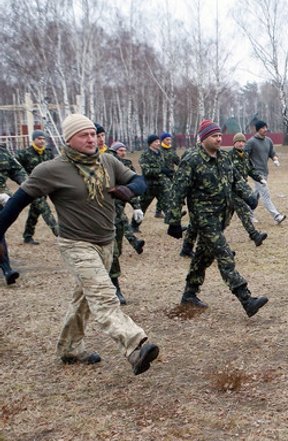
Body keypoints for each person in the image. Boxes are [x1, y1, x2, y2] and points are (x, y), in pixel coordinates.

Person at [0, 113, 159, 374]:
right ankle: (135, 345)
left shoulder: (107, 161)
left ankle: (69, 348)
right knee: (104, 298)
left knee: (83, 299)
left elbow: (139, 180)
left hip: (105, 243)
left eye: (93, 134)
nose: (91, 139)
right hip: (76, 245)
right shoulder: (50, 170)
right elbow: (16, 204)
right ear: (69, 139)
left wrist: (129, 191)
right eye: (83, 135)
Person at [165, 119, 268, 317]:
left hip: (221, 217)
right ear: (204, 138)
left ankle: (189, 294)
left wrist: (249, 196)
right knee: (224, 255)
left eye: (220, 135)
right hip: (204, 218)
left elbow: (236, 179)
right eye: (214, 136)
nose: (219, 139)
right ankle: (246, 299)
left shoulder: (224, 157)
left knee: (203, 257)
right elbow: (177, 191)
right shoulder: (192, 159)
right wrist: (174, 220)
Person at [107, 141, 146, 305]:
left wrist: (136, 207)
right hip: (100, 214)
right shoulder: (100, 161)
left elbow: (134, 184)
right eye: (120, 150)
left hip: (118, 210)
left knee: (117, 250)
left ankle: (135, 243)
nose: (123, 152)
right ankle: (114, 288)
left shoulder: (125, 165)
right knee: (113, 252)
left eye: (124, 150)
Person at [15, 130, 59, 244]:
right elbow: (14, 166)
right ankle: (59, 233)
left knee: (34, 212)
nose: (42, 141)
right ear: (33, 140)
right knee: (45, 209)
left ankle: (27, 236)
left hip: (46, 187)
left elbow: (54, 167)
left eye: (43, 139)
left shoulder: (48, 153)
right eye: (39, 138)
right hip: (32, 187)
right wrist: (24, 179)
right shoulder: (25, 153)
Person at [245, 120, 286, 223]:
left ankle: (247, 213)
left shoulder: (268, 141)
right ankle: (277, 216)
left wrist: (275, 159)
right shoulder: (251, 142)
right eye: (263, 128)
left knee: (256, 195)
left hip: (265, 172)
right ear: (258, 130)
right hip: (256, 173)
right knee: (265, 195)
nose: (265, 129)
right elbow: (244, 156)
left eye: (266, 127)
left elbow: (272, 153)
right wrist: (250, 169)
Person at [0, 145, 28, 284]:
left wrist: (26, 183)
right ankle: (6, 269)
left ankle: (6, 269)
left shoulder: (3, 153)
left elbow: (17, 170)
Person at [135, 134, 171, 230]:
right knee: (142, 207)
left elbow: (164, 166)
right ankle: (134, 226)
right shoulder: (145, 155)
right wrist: (161, 170)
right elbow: (146, 171)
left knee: (167, 204)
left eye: (158, 141)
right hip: (149, 186)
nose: (158, 143)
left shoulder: (160, 153)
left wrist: (168, 173)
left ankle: (174, 226)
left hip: (161, 185)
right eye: (155, 142)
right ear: (150, 143)